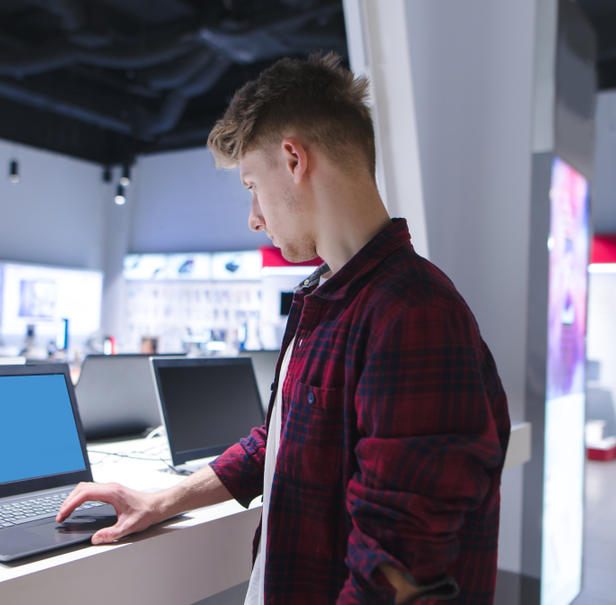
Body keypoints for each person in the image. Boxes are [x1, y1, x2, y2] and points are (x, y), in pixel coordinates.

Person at [57, 53, 510, 604]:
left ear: (294, 159)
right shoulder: (328, 297)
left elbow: (399, 574)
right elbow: (281, 443)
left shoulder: (414, 316)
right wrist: (164, 500)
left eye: (253, 183)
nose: (254, 215)